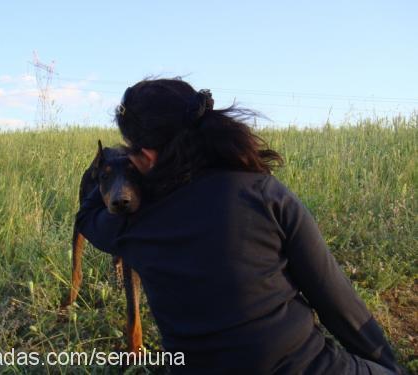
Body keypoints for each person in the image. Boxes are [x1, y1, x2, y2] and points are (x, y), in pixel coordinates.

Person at [76, 78, 404, 374]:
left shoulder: (133, 225)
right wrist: (388, 367)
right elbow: (336, 300)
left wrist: (110, 169)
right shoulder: (263, 193)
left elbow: (86, 216)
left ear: (147, 155)